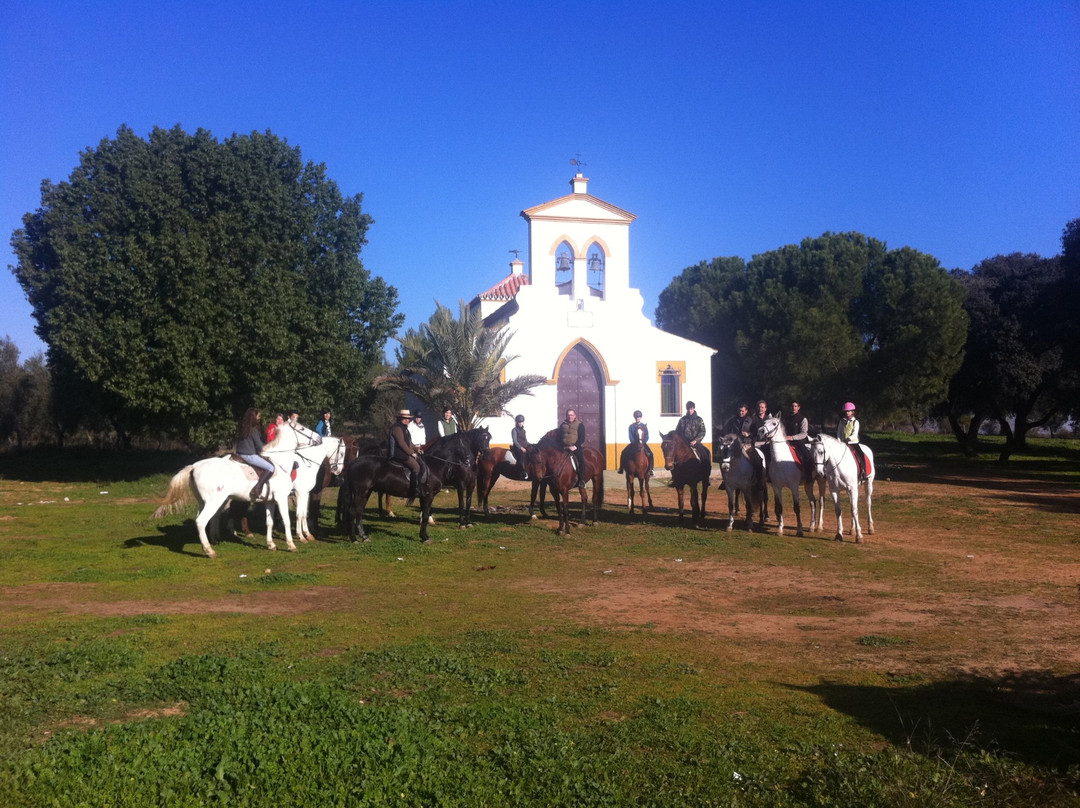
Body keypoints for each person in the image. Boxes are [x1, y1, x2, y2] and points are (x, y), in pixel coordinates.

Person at [236, 407, 274, 502]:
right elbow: (260, 446)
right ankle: (257, 488)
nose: (259, 418)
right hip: (249, 455)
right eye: (258, 416)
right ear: (254, 417)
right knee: (271, 468)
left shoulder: (242, 427)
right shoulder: (253, 430)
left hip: (238, 453)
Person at [389, 409, 422, 499]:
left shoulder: (404, 428)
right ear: (400, 418)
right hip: (398, 454)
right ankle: (415, 489)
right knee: (416, 466)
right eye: (405, 418)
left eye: (408, 419)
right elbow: (402, 444)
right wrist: (412, 453)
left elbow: (409, 443)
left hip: (403, 452)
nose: (407, 420)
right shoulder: (397, 428)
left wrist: (417, 450)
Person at [837, 401, 867, 482]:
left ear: (853, 412)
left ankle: (864, 472)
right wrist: (839, 441)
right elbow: (839, 433)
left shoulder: (855, 422)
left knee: (861, 455)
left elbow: (855, 434)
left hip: (853, 443)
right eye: (846, 411)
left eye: (849, 411)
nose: (847, 412)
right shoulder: (841, 421)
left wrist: (848, 439)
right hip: (843, 443)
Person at [783, 400, 812, 480]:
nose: (793, 408)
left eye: (795, 406)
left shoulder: (803, 419)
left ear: (799, 408)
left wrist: (792, 437)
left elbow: (803, 434)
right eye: (792, 406)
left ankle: (808, 476)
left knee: (807, 456)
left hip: (799, 441)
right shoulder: (786, 418)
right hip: (786, 440)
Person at [618, 410, 653, 476]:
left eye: (639, 417)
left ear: (641, 418)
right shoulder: (631, 426)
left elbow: (647, 436)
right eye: (637, 417)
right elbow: (630, 436)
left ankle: (651, 469)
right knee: (623, 452)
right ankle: (621, 468)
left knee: (651, 454)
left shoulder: (644, 426)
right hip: (634, 444)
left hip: (642, 443)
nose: (638, 418)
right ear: (635, 418)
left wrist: (643, 442)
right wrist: (634, 442)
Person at [560, 408, 586, 489]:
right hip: (564, 448)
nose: (569, 417)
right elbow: (559, 437)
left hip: (576, 448)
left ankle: (582, 480)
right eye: (568, 415)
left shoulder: (580, 425)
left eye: (571, 415)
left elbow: (582, 438)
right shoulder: (562, 425)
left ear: (575, 416)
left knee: (581, 461)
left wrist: (574, 446)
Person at [510, 414, 529, 480]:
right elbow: (515, 441)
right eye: (519, 422)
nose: (521, 424)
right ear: (517, 423)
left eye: (522, 422)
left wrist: (530, 445)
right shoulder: (514, 430)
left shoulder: (524, 431)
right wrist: (521, 448)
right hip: (517, 447)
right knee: (522, 455)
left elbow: (525, 440)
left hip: (524, 446)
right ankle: (522, 472)